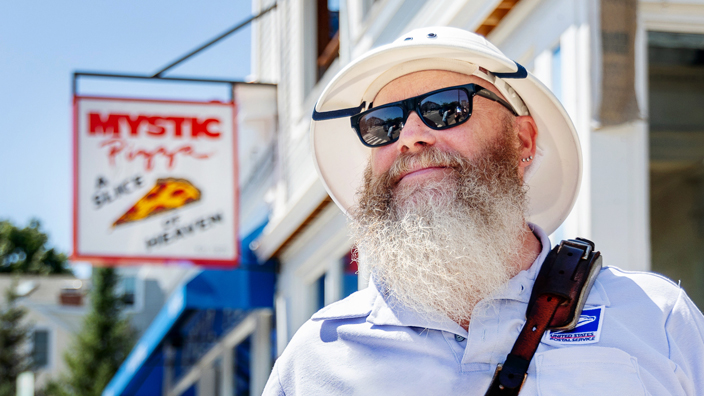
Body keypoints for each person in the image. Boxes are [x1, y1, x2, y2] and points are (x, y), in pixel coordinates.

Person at [263, 27, 704, 396]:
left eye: (446, 107)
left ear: (523, 141)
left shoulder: (655, 318)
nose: (411, 136)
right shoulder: (314, 361)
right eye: (384, 124)